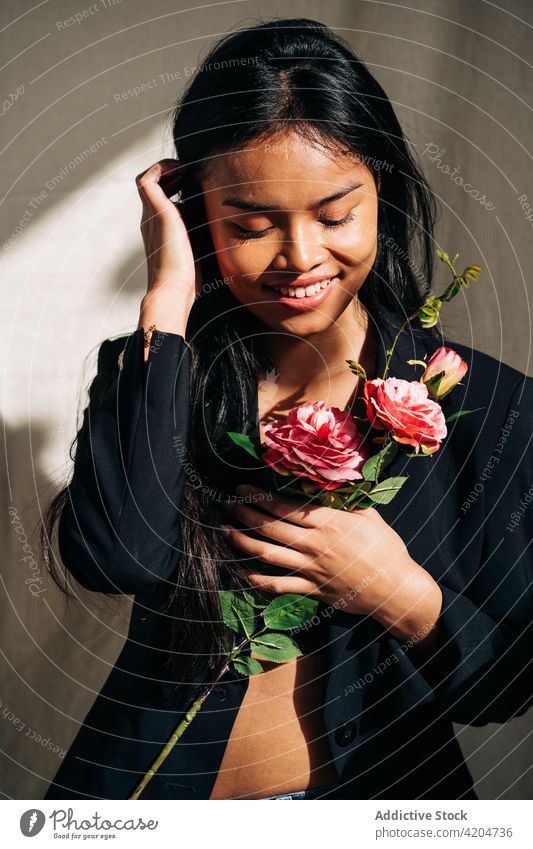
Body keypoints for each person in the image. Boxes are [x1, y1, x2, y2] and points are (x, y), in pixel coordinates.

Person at [41, 18, 533, 801]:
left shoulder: (491, 408)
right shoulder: (170, 376)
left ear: (384, 194)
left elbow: (501, 688)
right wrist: (166, 302)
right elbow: (116, 559)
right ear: (199, 216)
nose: (300, 257)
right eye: (251, 225)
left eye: (335, 215)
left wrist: (400, 594)